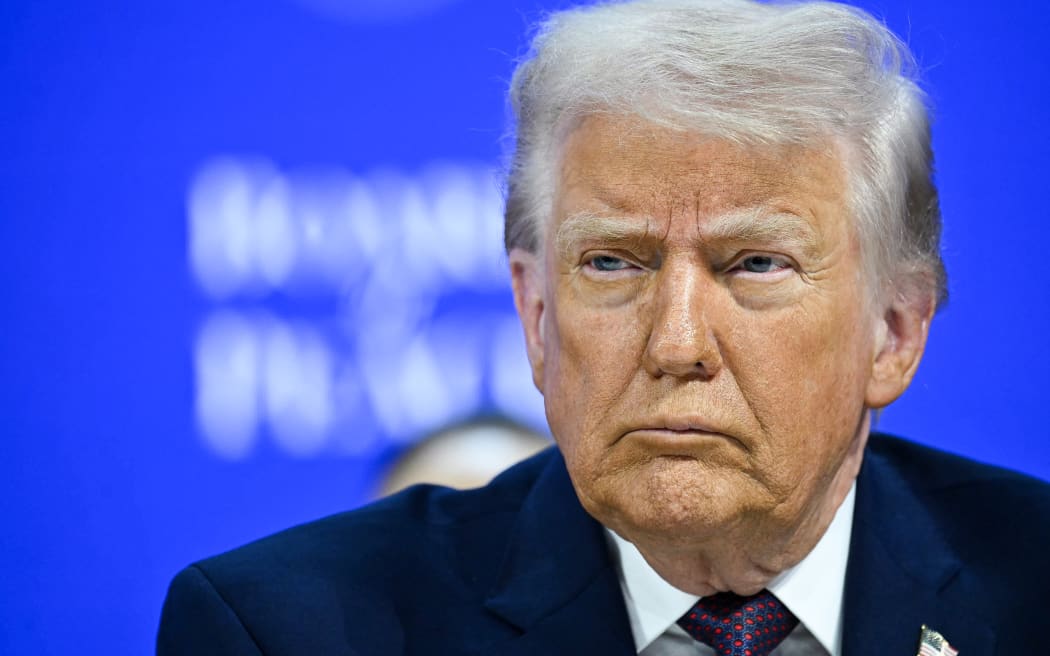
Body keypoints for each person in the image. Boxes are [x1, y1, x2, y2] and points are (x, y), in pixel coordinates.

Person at [157, 1, 1050, 654]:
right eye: (614, 263)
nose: (676, 344)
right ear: (536, 317)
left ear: (895, 330)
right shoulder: (286, 632)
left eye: (755, 266)